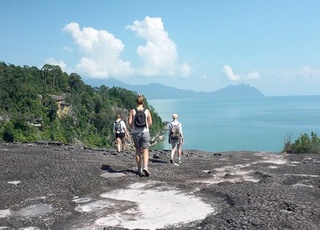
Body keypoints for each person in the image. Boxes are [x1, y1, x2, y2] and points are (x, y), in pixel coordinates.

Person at [128, 94, 153, 177]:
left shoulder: (133, 111)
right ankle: (145, 167)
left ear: (136, 101)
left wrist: (134, 128)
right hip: (145, 132)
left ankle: (139, 168)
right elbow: (150, 122)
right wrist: (146, 127)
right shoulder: (146, 111)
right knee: (145, 150)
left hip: (135, 133)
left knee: (138, 150)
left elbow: (130, 123)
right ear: (143, 102)